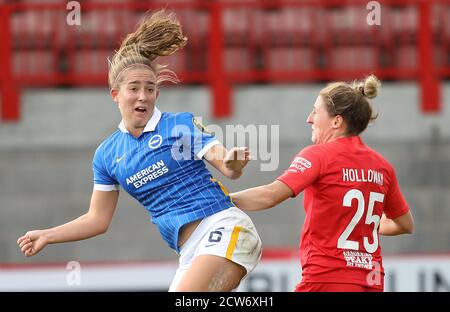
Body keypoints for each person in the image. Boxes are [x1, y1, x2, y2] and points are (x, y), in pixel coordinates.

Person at [17, 10, 262, 292]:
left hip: (225, 228)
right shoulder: (107, 154)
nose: (143, 96)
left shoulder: (178, 125)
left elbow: (227, 167)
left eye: (150, 88)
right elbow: (97, 219)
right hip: (189, 253)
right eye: (134, 88)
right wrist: (47, 235)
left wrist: (234, 162)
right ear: (115, 94)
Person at [231, 75, 414, 292]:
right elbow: (405, 224)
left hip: (327, 279)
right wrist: (366, 225)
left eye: (315, 111)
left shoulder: (318, 156)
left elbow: (270, 195)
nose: (309, 118)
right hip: (372, 282)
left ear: (337, 121)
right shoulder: (383, 167)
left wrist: (219, 199)